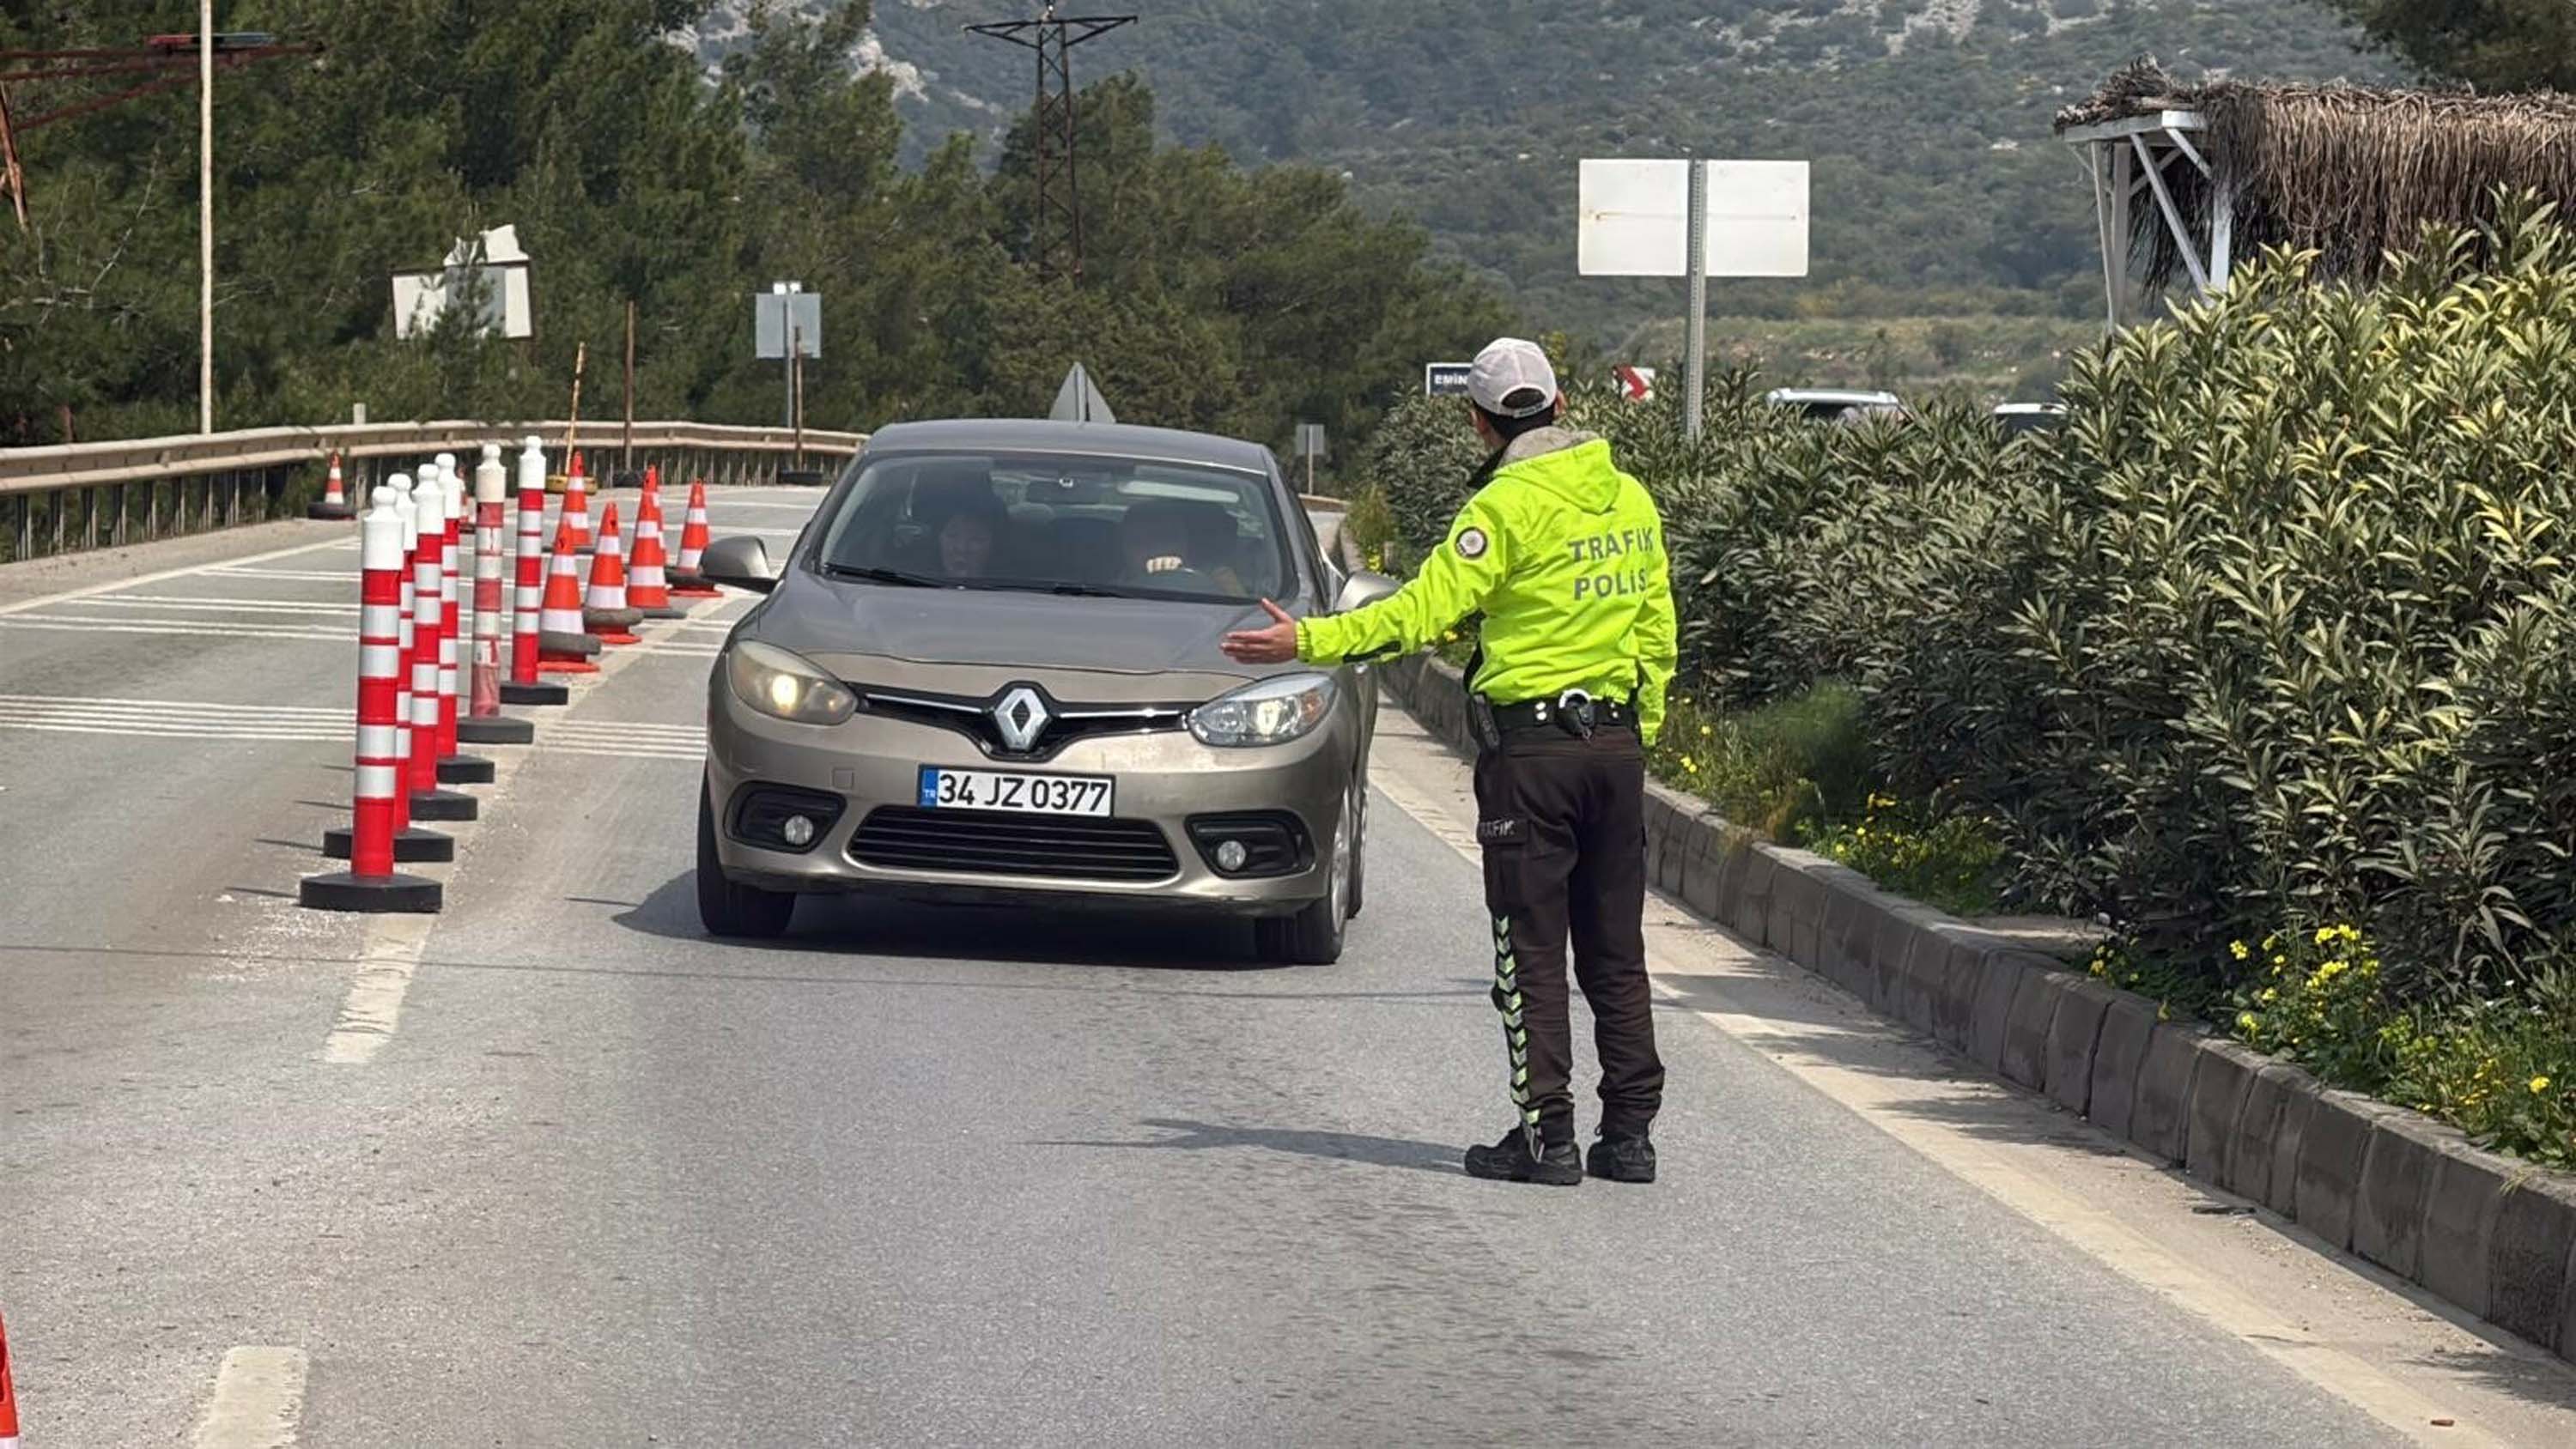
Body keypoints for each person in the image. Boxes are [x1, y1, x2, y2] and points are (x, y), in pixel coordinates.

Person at [1222, 337, 1676, 1186]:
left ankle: (1548, 1137)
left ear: (1480, 422)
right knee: (1616, 944)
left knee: (1531, 945)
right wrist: (1635, 729)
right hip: (1615, 750)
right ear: (1562, 404)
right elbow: (1657, 630)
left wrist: (1307, 639)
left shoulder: (1499, 512)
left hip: (1532, 755)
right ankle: (1632, 1135)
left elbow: (1417, 616)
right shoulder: (1630, 498)